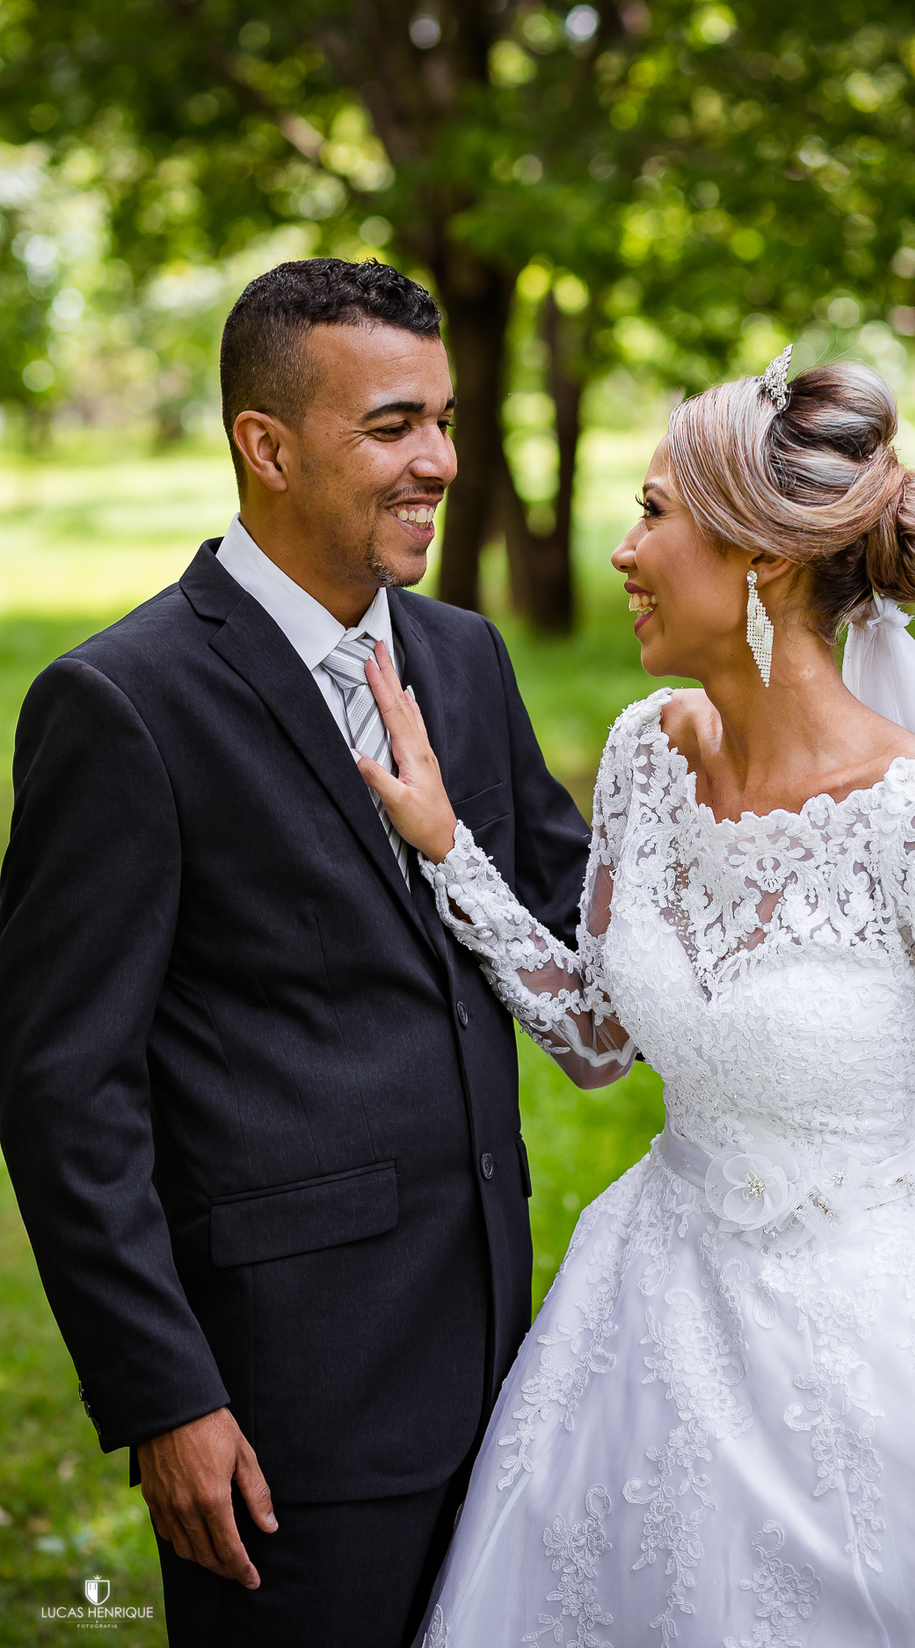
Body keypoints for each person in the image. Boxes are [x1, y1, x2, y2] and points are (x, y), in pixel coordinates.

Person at [356, 352, 915, 1646]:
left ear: (760, 554)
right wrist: (446, 851)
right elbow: (595, 1039)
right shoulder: (648, 749)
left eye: (654, 512)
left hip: (881, 1343)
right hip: (648, 1327)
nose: (625, 552)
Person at [0, 258, 598, 1647]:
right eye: (392, 427)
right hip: (286, 1408)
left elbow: (579, 924)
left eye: (443, 422)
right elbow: (62, 1089)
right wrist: (164, 1394)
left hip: (506, 1367)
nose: (440, 462)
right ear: (263, 446)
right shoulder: (120, 705)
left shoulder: (464, 660)